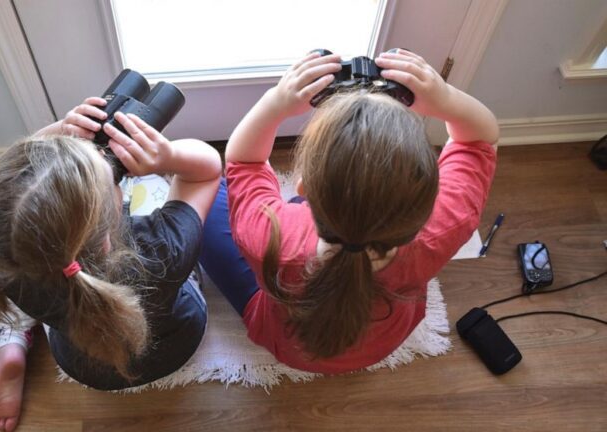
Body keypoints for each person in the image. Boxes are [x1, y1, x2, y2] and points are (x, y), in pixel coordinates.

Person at [200, 49, 499, 373]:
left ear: (302, 188)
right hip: (382, 343)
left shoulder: (272, 234)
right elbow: (479, 139)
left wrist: (276, 103)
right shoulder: (442, 227)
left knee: (207, 192)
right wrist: (445, 99)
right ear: (427, 201)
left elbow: (244, 161)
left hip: (286, 342)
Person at [0, 98, 221, 431]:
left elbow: (15, 198)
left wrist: (58, 134)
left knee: (23, 259)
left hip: (80, 363)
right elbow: (205, 173)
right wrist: (166, 158)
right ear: (107, 237)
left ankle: (12, 346)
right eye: (114, 183)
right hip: (174, 347)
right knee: (153, 187)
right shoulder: (160, 249)